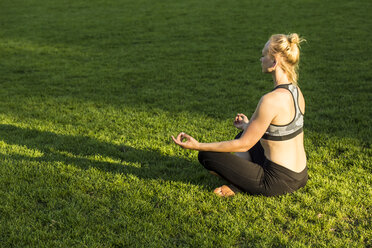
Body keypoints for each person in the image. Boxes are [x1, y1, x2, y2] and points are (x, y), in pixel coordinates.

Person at [172, 33, 308, 197]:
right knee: (244, 132)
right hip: (300, 175)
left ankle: (238, 185)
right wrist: (247, 126)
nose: (260, 59)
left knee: (207, 155)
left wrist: (198, 145)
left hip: (275, 182)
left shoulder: (270, 100)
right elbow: (282, 131)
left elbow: (244, 145)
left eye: (264, 55)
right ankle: (241, 176)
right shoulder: (296, 92)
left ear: (274, 62)